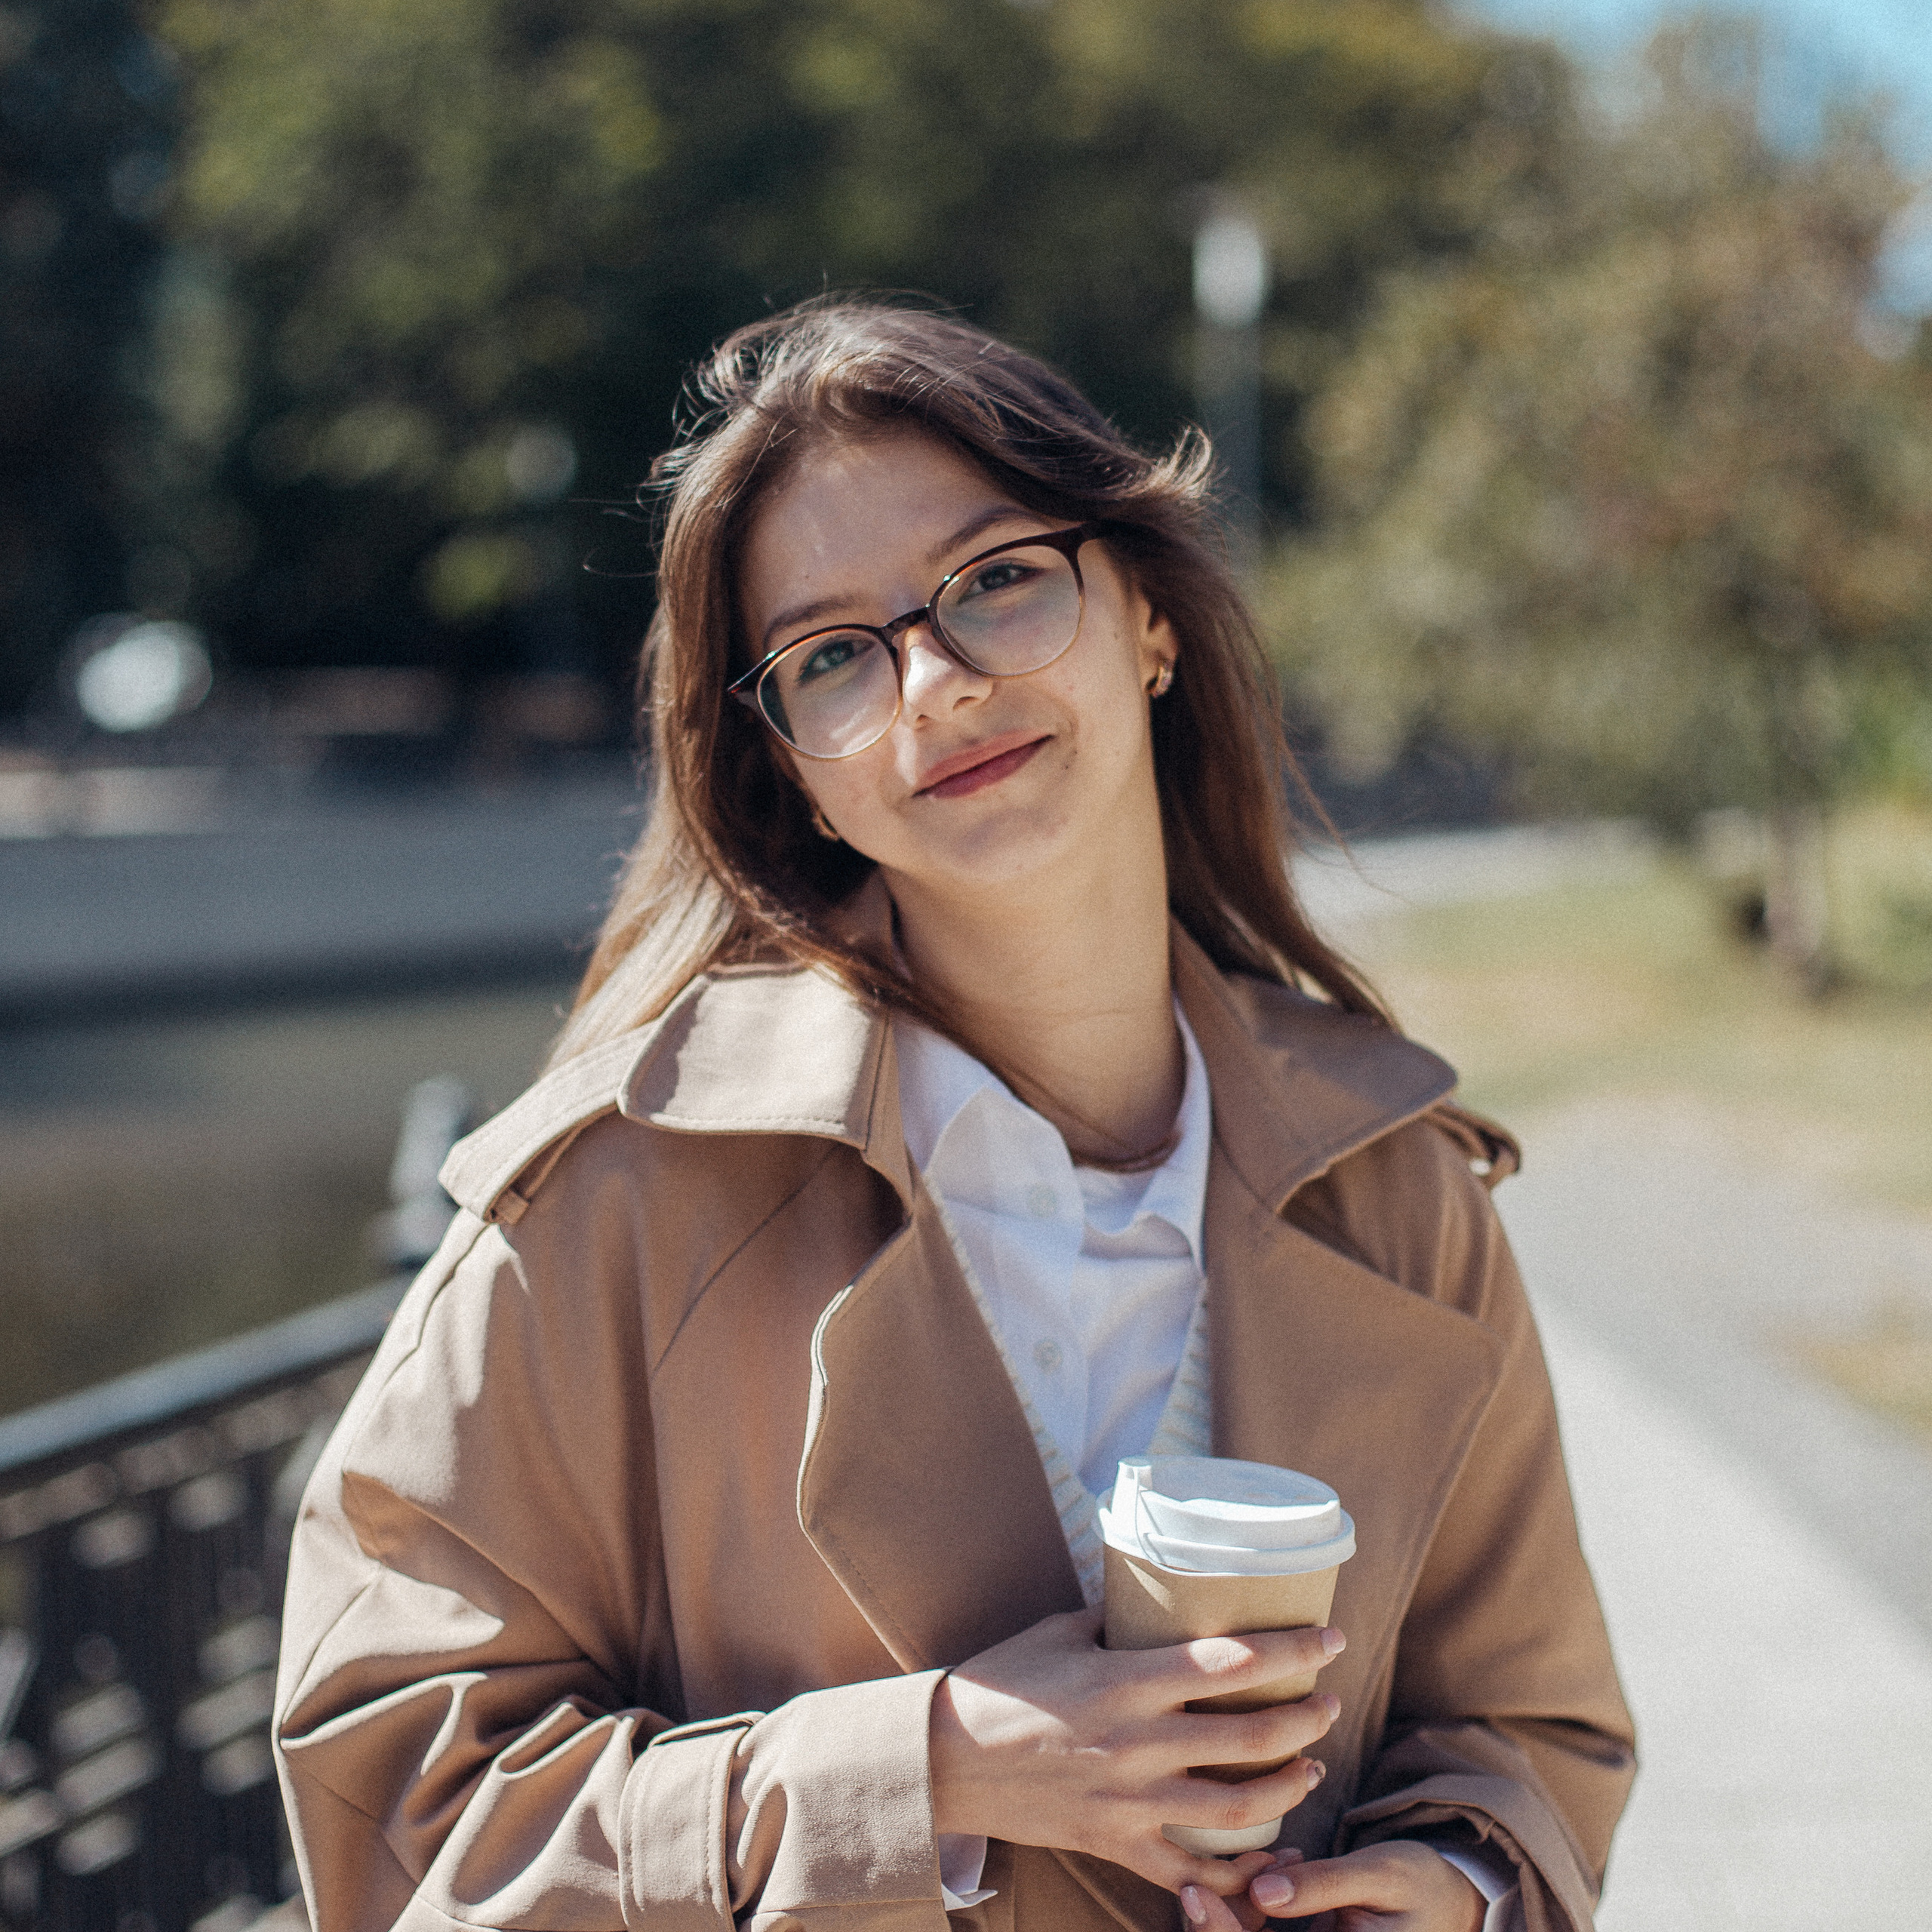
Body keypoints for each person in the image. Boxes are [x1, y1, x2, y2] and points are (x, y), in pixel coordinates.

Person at [273, 300, 1634, 1932]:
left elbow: (1530, 1732)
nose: (931, 682)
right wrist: (922, 1775)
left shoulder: (1399, 1187)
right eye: (831, 656)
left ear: (1149, 618)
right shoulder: (606, 1209)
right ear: (795, 768)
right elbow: (400, 1818)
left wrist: (1456, 1886)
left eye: (994, 580)